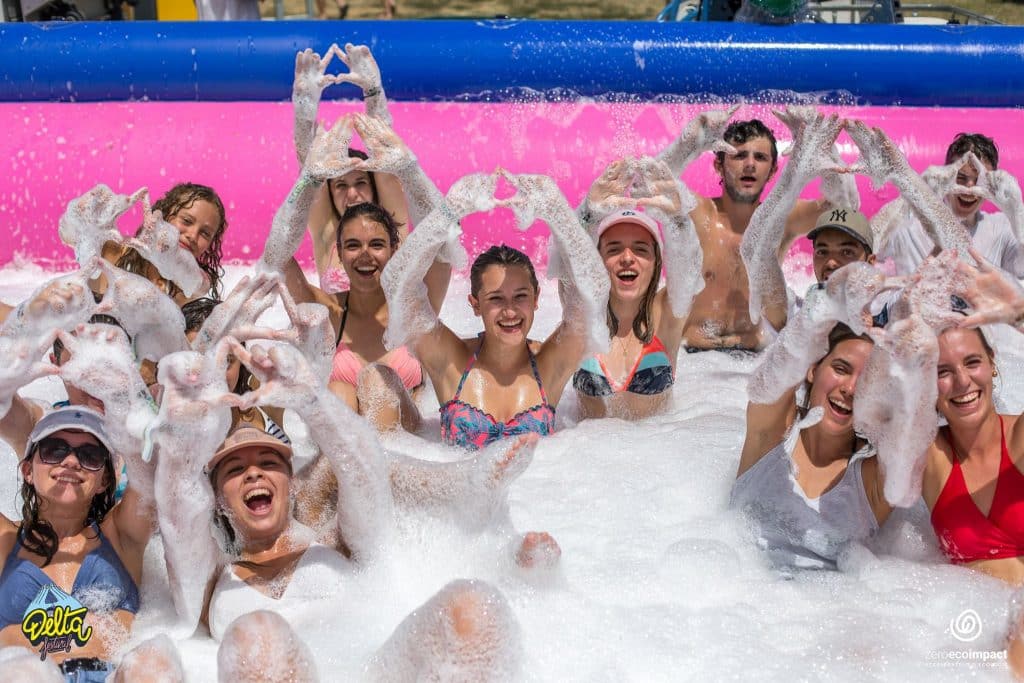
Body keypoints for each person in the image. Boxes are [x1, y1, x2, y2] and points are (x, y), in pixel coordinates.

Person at [153, 338, 526, 679]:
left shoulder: (332, 541)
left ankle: (461, 485)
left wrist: (312, 400)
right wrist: (176, 442)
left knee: (471, 608)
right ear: (218, 497)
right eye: (235, 469)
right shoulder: (215, 572)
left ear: (290, 482)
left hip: (368, 671)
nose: (253, 474)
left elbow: (365, 471)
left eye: (268, 463)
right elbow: (177, 519)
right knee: (256, 639)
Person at [383, 170, 609, 450]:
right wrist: (447, 211)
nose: (510, 311)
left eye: (520, 296)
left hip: (545, 492)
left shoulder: (548, 365)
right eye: (496, 299)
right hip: (460, 490)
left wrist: (559, 213)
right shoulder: (451, 362)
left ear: (537, 298)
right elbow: (397, 289)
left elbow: (593, 300)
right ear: (475, 304)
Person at [640, 108, 853, 351]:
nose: (750, 165)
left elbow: (845, 209)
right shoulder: (696, 213)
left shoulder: (783, 217)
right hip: (691, 359)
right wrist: (687, 144)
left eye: (760, 158)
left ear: (773, 170)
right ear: (719, 165)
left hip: (752, 362)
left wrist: (824, 149)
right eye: (740, 156)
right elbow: (647, 187)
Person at [0, 407, 154, 676]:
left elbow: (156, 467)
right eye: (54, 450)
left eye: (89, 456)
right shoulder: (5, 540)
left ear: (104, 480)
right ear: (27, 470)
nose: (71, 461)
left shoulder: (121, 535)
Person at [732, 323, 892, 570]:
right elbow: (775, 374)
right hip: (728, 588)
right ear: (812, 369)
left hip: (826, 604)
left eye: (868, 381)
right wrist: (821, 309)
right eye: (841, 369)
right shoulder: (772, 434)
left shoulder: (872, 480)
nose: (850, 388)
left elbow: (916, 434)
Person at [571, 157, 704, 420]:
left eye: (641, 249)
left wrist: (680, 223)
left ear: (656, 263)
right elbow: (569, 263)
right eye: (614, 249)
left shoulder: (668, 316)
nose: (627, 258)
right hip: (584, 454)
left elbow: (689, 269)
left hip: (656, 453)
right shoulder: (582, 316)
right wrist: (588, 215)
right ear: (598, 260)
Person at [291, 44, 409, 293]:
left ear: (375, 187)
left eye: (361, 183)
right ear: (331, 194)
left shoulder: (394, 230)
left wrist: (373, 91)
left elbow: (386, 159)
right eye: (341, 186)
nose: (352, 194)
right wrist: (304, 108)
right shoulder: (327, 234)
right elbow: (310, 172)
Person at [877, 132, 1024, 278]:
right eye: (961, 177)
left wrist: (1018, 213)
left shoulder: (1001, 228)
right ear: (945, 176)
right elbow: (871, 253)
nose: (969, 189)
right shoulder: (910, 227)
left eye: (979, 181)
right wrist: (915, 195)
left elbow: (1021, 274)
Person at [95, 182, 228, 306]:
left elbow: (201, 286)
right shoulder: (111, 254)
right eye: (187, 221)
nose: (193, 236)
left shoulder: (190, 288)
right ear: (164, 215)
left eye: (205, 233)